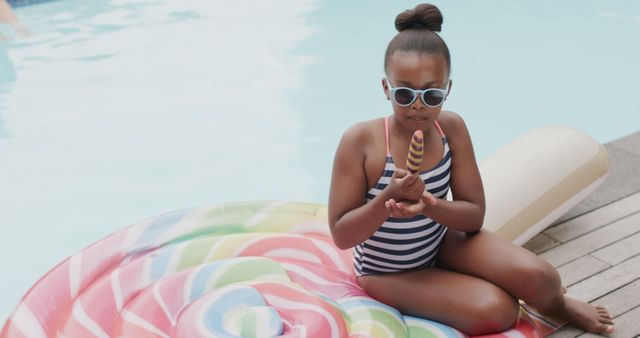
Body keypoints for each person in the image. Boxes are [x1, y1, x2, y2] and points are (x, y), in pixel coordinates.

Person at [328, 3, 614, 336]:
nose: (418, 104)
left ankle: (558, 305)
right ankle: (476, 290)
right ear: (385, 88)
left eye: (431, 94)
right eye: (404, 93)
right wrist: (386, 199)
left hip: (441, 242)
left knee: (543, 279)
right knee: (498, 310)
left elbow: (473, 216)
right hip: (386, 271)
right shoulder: (361, 142)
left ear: (448, 90)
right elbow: (342, 235)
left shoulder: (451, 129)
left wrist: (429, 204)